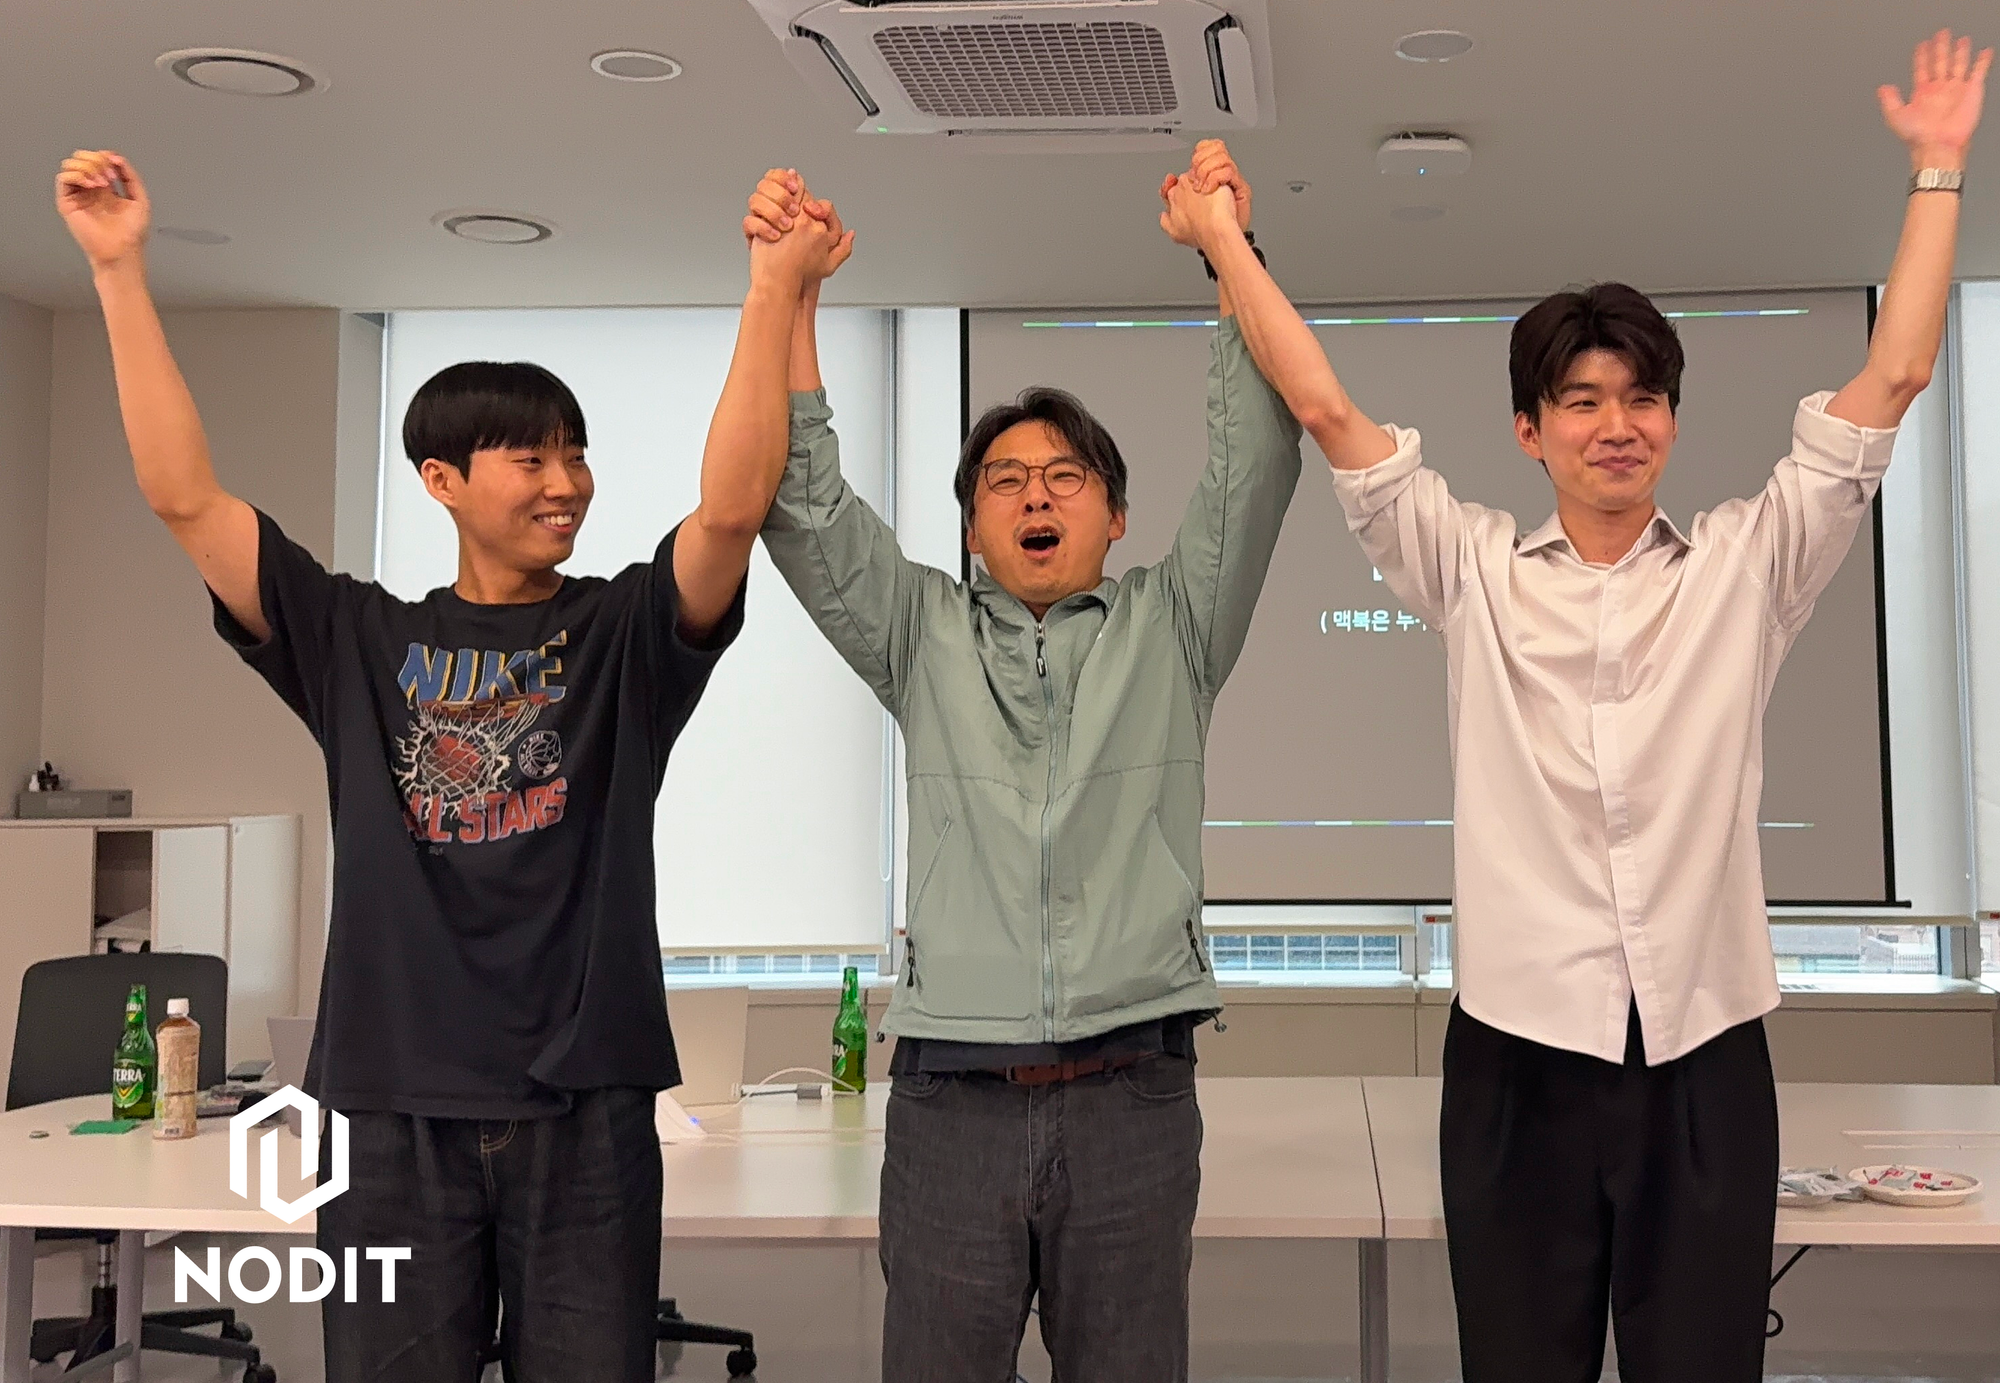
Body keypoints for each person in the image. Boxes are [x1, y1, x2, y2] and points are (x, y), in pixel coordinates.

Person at [1190, 31, 1989, 1381]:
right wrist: (1223, 242)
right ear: (1530, 429)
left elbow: (1894, 380)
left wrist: (1938, 170)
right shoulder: (1475, 573)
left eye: (1642, 398)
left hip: (1704, 1058)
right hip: (1516, 1060)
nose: (1616, 424)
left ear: (1671, 418)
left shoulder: (1746, 567)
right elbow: (1322, 409)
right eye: (1580, 401)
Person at [54, 151, 851, 1383]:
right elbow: (186, 500)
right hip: (388, 1117)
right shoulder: (354, 639)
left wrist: (769, 291)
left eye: (576, 455)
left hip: (585, 1114)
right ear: (442, 481)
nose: (567, 484)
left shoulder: (623, 636)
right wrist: (116, 271)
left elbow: (733, 513)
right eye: (530, 459)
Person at [742, 150, 1302, 1380]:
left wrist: (1225, 250)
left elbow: (1255, 462)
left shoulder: (1174, 625)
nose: (1033, 496)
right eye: (1003, 481)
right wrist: (792, 297)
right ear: (971, 524)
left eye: (1063, 477)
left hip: (1131, 1096)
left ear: (1114, 514)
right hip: (951, 1101)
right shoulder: (918, 630)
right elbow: (802, 504)